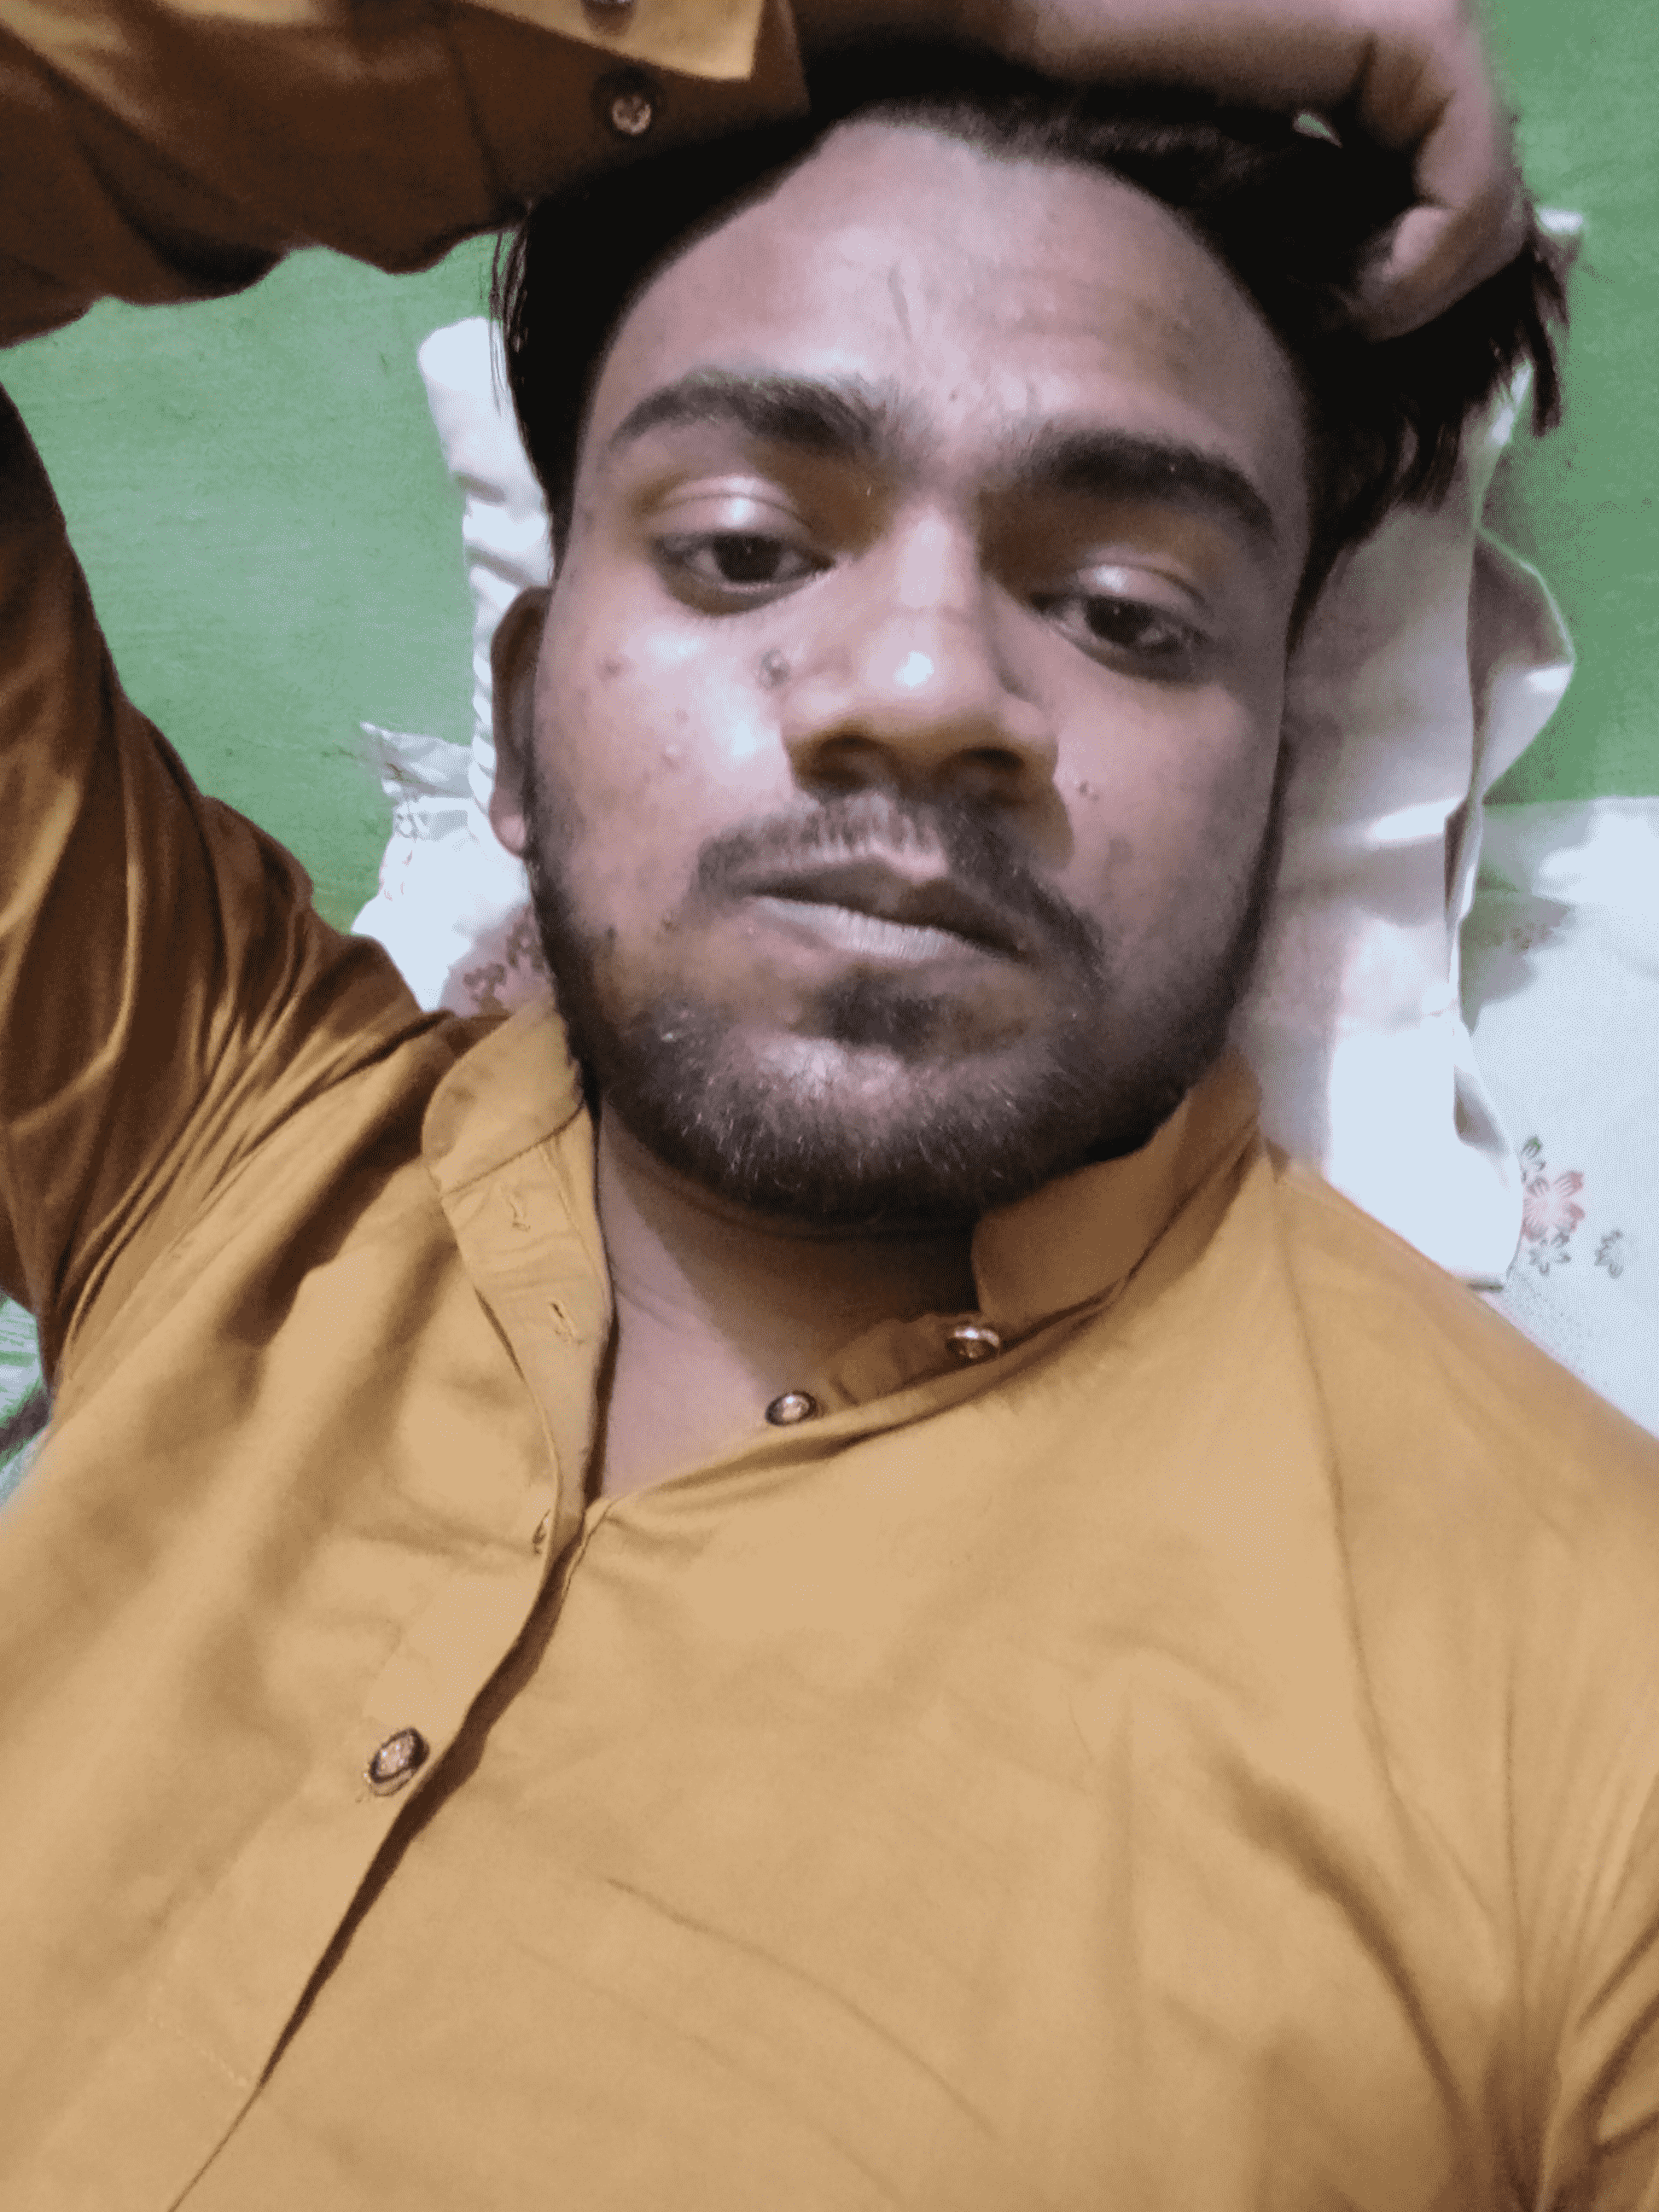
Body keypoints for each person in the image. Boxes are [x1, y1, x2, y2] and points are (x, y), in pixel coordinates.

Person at [1, 9, 1655, 2212]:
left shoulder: (1595, 1701)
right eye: (746, 550)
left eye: (1126, 611)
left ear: (1280, 770)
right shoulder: (212, 1127)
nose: (926, 687)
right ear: (519, 714)